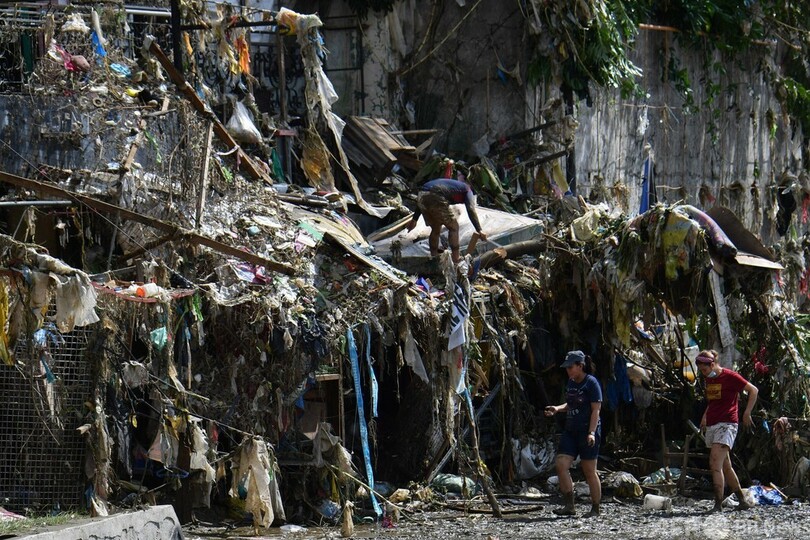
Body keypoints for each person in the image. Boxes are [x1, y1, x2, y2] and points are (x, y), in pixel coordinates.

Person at [696, 349, 758, 512]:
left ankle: (717, 504)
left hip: (728, 424)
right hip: (713, 423)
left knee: (714, 463)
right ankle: (742, 501)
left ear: (712, 364)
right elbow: (713, 401)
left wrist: (747, 412)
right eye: (701, 370)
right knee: (725, 466)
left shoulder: (730, 376)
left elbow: (753, 390)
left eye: (704, 369)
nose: (703, 373)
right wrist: (704, 416)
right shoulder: (709, 379)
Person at [544, 350, 602, 517]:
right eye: (567, 367)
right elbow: (571, 404)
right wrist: (557, 409)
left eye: (571, 367)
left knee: (589, 470)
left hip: (587, 430)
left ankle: (595, 508)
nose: (568, 370)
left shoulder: (591, 383)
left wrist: (591, 432)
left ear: (580, 366)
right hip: (571, 430)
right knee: (561, 464)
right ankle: (569, 505)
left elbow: (595, 410)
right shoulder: (570, 383)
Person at [406, 178, 487, 263]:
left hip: (421, 194)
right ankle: (456, 258)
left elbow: (425, 195)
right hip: (436, 195)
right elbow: (470, 209)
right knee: (453, 227)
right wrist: (479, 230)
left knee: (436, 227)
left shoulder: (456, 186)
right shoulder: (468, 190)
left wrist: (414, 219)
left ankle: (434, 257)